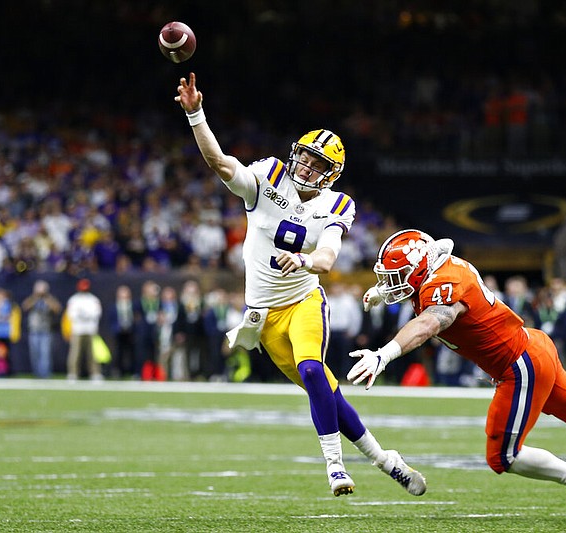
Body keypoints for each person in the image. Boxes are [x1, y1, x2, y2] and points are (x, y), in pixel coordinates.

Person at [173, 72, 426, 497]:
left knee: (312, 369)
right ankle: (386, 460)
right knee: (325, 389)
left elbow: (327, 258)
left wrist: (305, 260)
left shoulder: (336, 204)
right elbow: (219, 162)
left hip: (303, 299)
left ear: (332, 174)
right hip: (263, 316)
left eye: (317, 163)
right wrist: (196, 112)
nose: (307, 166)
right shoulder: (269, 175)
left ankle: (335, 467)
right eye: (305, 157)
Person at [350, 229, 566, 521]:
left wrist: (385, 354)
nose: (389, 285)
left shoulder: (443, 284)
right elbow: (425, 295)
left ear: (418, 270)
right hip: (531, 346)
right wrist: (384, 291)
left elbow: (430, 322)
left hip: (518, 363)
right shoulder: (440, 269)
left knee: (501, 457)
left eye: (393, 278)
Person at [21, 280, 62, 378]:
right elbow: (24, 306)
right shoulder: (33, 299)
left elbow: (57, 308)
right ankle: (37, 374)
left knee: (45, 354)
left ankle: (45, 375)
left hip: (46, 330)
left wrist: (46, 297)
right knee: (35, 353)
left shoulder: (49, 299)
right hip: (34, 330)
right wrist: (35, 296)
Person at [64, 278, 103, 382]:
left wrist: (84, 314)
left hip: (91, 329)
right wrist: (83, 315)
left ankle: (95, 373)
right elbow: (71, 314)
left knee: (93, 353)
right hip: (77, 329)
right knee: (75, 353)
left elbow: (96, 313)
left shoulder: (93, 300)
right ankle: (73, 373)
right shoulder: (74, 300)